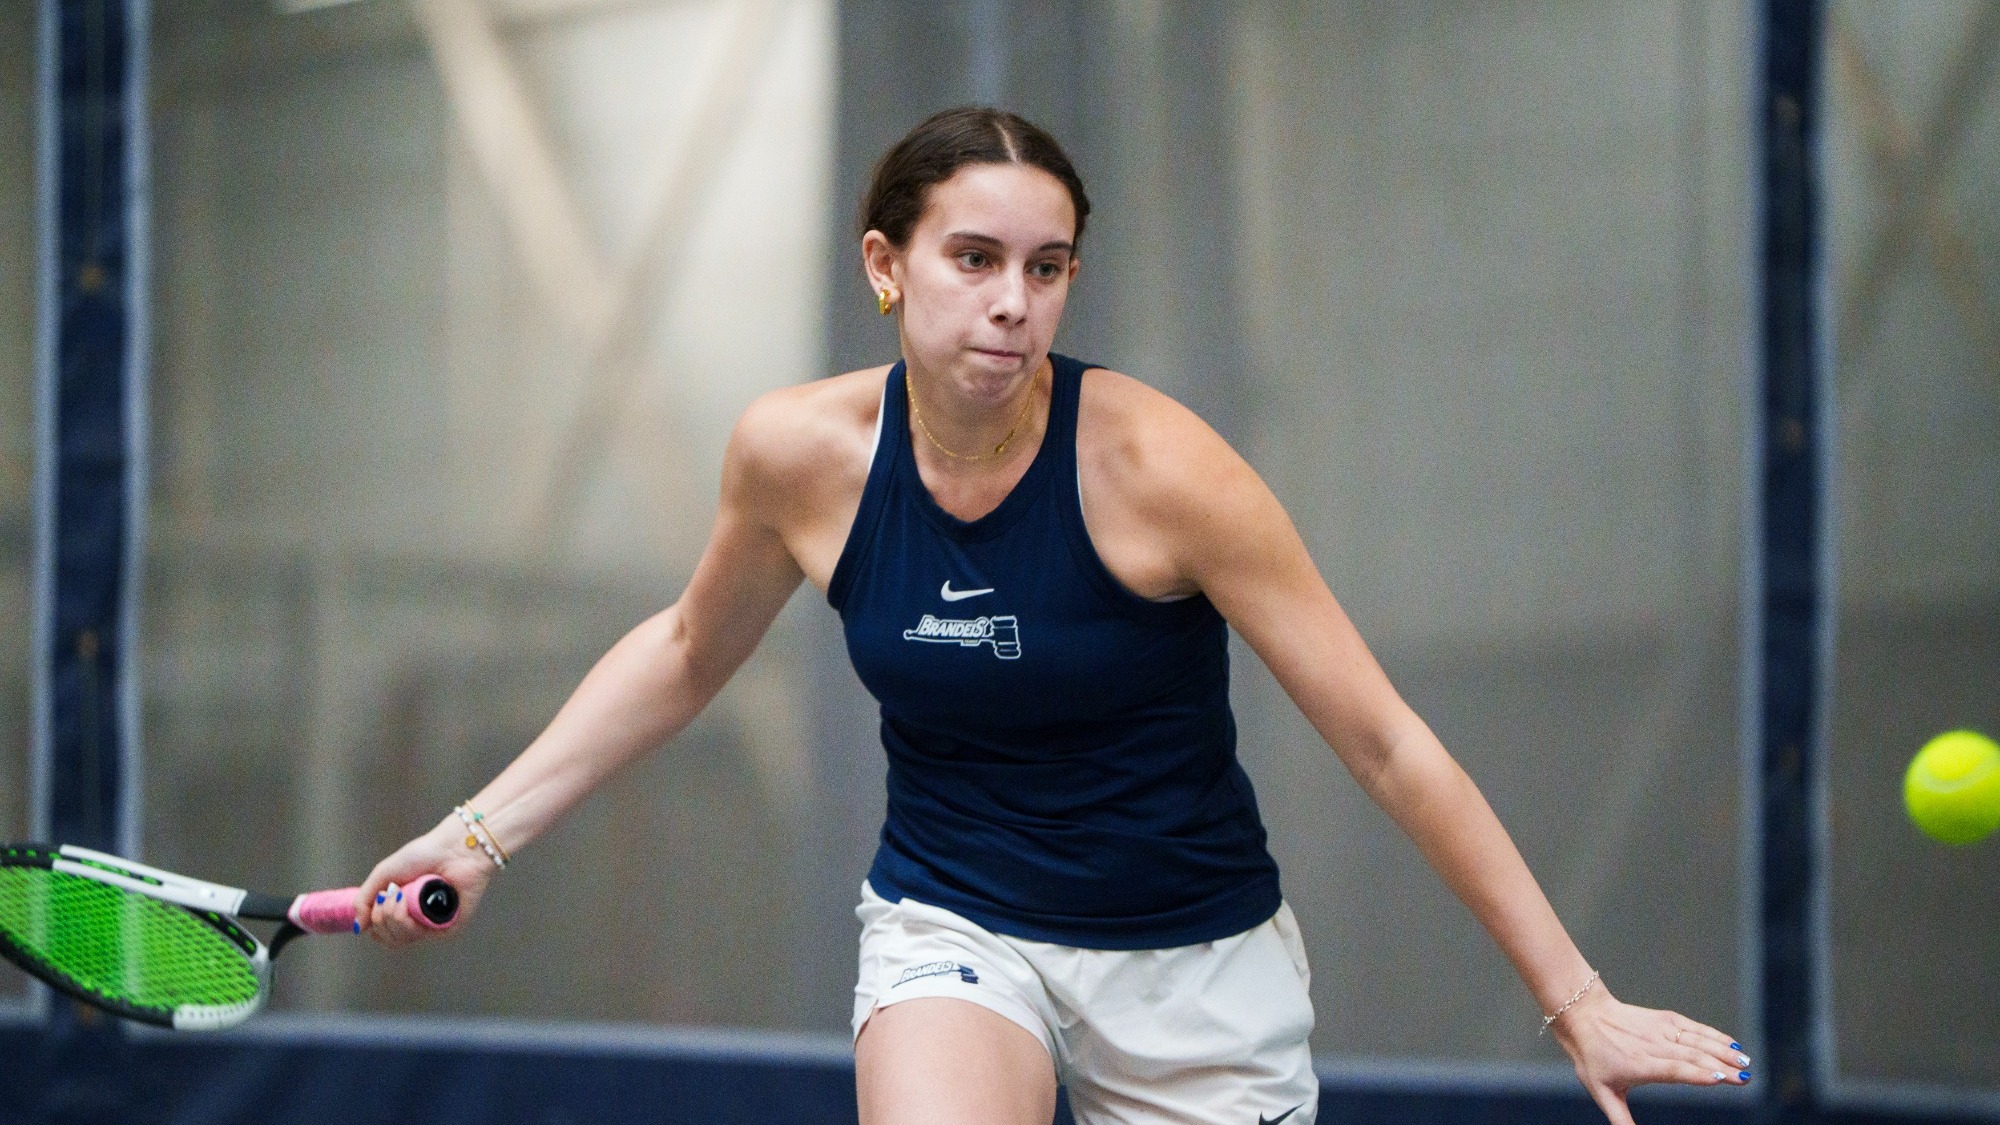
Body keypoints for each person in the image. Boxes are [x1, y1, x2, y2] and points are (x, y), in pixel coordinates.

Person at [356, 107, 1748, 1125]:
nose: (1012, 301)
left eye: (1048, 266)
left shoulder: (1166, 470)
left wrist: (1579, 998)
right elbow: (680, 651)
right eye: (974, 257)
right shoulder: (796, 455)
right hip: (956, 921)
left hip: (1195, 962)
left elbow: (1384, 742)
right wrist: (478, 833)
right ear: (886, 264)